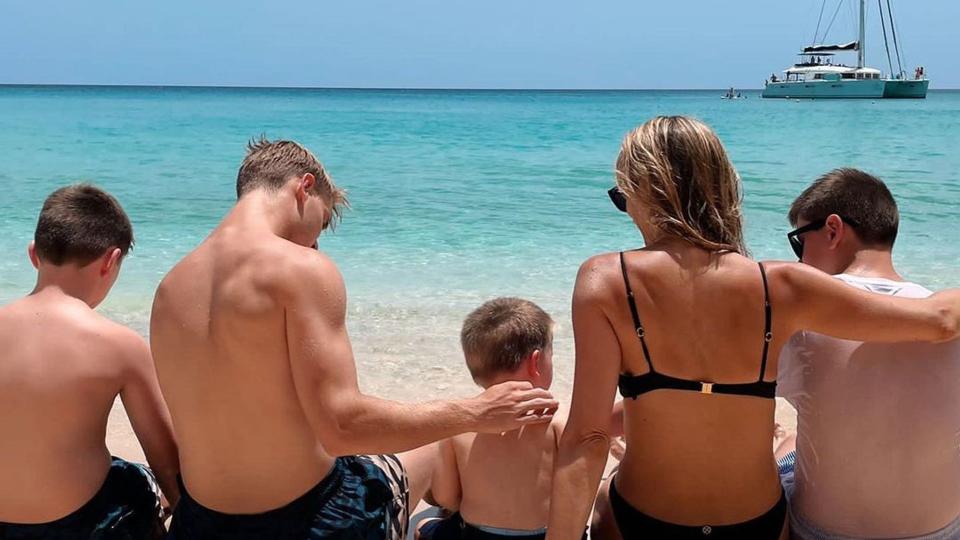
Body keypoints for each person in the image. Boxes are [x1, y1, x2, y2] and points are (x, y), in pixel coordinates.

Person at [544, 116, 960, 540]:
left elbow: (589, 437)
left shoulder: (605, 279)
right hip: (756, 525)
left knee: (605, 501)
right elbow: (937, 322)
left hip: (644, 520)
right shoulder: (781, 286)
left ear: (646, 190)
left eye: (622, 197)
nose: (627, 210)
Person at [151, 139, 559, 540]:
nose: (316, 241)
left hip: (200, 521)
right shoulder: (301, 268)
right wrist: (474, 412)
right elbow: (343, 428)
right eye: (322, 221)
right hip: (312, 517)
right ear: (304, 187)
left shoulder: (170, 287)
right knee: (434, 446)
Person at [778, 168, 960, 539]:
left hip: (821, 533)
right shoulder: (946, 314)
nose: (798, 261)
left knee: (783, 444)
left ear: (832, 230)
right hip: (940, 533)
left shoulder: (802, 320)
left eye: (799, 242)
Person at [0, 185, 179, 538]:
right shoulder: (119, 345)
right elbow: (166, 461)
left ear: (34, 255)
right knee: (137, 479)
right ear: (111, 261)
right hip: (79, 526)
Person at [416, 298, 621, 540]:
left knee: (424, 525)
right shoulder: (557, 424)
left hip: (475, 535)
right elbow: (575, 490)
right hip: (547, 535)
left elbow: (446, 496)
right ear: (536, 362)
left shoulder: (462, 424)